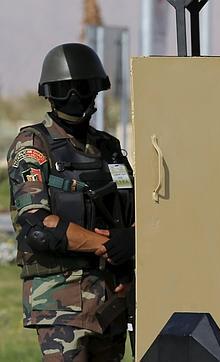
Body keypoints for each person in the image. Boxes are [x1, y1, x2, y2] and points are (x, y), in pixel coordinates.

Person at [7, 43, 135, 361]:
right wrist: (105, 245)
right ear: (50, 94)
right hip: (60, 305)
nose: (75, 97)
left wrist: (132, 239)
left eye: (82, 88)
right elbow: (38, 225)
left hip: (111, 303)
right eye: (66, 90)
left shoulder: (110, 148)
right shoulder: (33, 144)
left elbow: (139, 210)